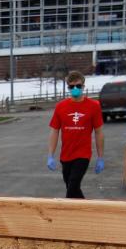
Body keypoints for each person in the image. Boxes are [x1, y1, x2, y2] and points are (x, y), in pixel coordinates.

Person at [47, 70, 104, 199]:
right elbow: (55, 131)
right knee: (72, 188)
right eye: (72, 87)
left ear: (83, 86)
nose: (75, 89)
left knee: (73, 185)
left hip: (82, 155)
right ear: (68, 87)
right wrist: (50, 155)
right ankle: (85, 211)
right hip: (66, 155)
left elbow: (99, 132)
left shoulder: (93, 106)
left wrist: (100, 157)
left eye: (78, 86)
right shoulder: (61, 107)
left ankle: (67, 214)